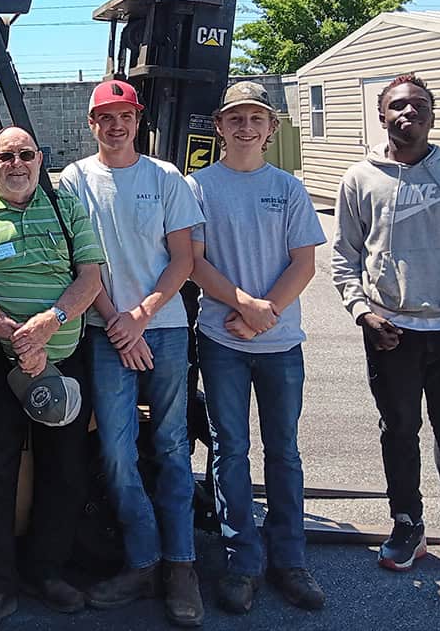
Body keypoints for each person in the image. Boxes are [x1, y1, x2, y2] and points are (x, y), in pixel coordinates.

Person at [331, 73, 440, 579]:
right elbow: (344, 256)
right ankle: (407, 523)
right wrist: (364, 312)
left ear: (432, 116)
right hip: (393, 334)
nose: (408, 114)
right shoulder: (360, 178)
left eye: (419, 107)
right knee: (399, 431)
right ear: (382, 115)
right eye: (398, 107)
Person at [0, 126, 104, 631]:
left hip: (65, 357)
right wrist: (17, 338)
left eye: (25, 155)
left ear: (39, 159)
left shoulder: (66, 207)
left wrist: (49, 322)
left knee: (66, 471)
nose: (16, 164)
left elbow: (91, 277)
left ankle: (47, 571)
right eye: (5, 155)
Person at [59, 80, 205, 627]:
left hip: (163, 330)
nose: (115, 125)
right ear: (91, 124)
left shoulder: (166, 178)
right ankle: (143, 560)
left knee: (170, 446)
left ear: (137, 120)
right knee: (117, 453)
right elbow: (80, 260)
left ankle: (181, 567)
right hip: (102, 331)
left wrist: (139, 316)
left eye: (124, 116)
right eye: (105, 117)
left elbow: (183, 261)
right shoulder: (75, 180)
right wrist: (116, 321)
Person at [185, 81, 327, 614]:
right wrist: (247, 305)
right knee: (229, 451)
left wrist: (264, 316)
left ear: (271, 129)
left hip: (279, 342)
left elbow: (304, 262)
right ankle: (241, 560)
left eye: (256, 119)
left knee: (284, 452)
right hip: (223, 339)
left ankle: (289, 558)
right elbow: (194, 262)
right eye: (235, 118)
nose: (246, 127)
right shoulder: (198, 187)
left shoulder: (288, 188)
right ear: (220, 126)